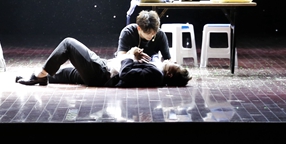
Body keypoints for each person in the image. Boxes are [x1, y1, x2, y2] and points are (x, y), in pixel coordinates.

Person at [15, 37, 190, 87]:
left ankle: (39, 75)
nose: (174, 61)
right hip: (103, 70)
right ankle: (42, 78)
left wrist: (130, 55)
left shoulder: (156, 75)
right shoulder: (157, 70)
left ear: (170, 74)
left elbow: (127, 74)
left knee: (68, 43)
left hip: (102, 73)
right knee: (67, 74)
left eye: (176, 65)